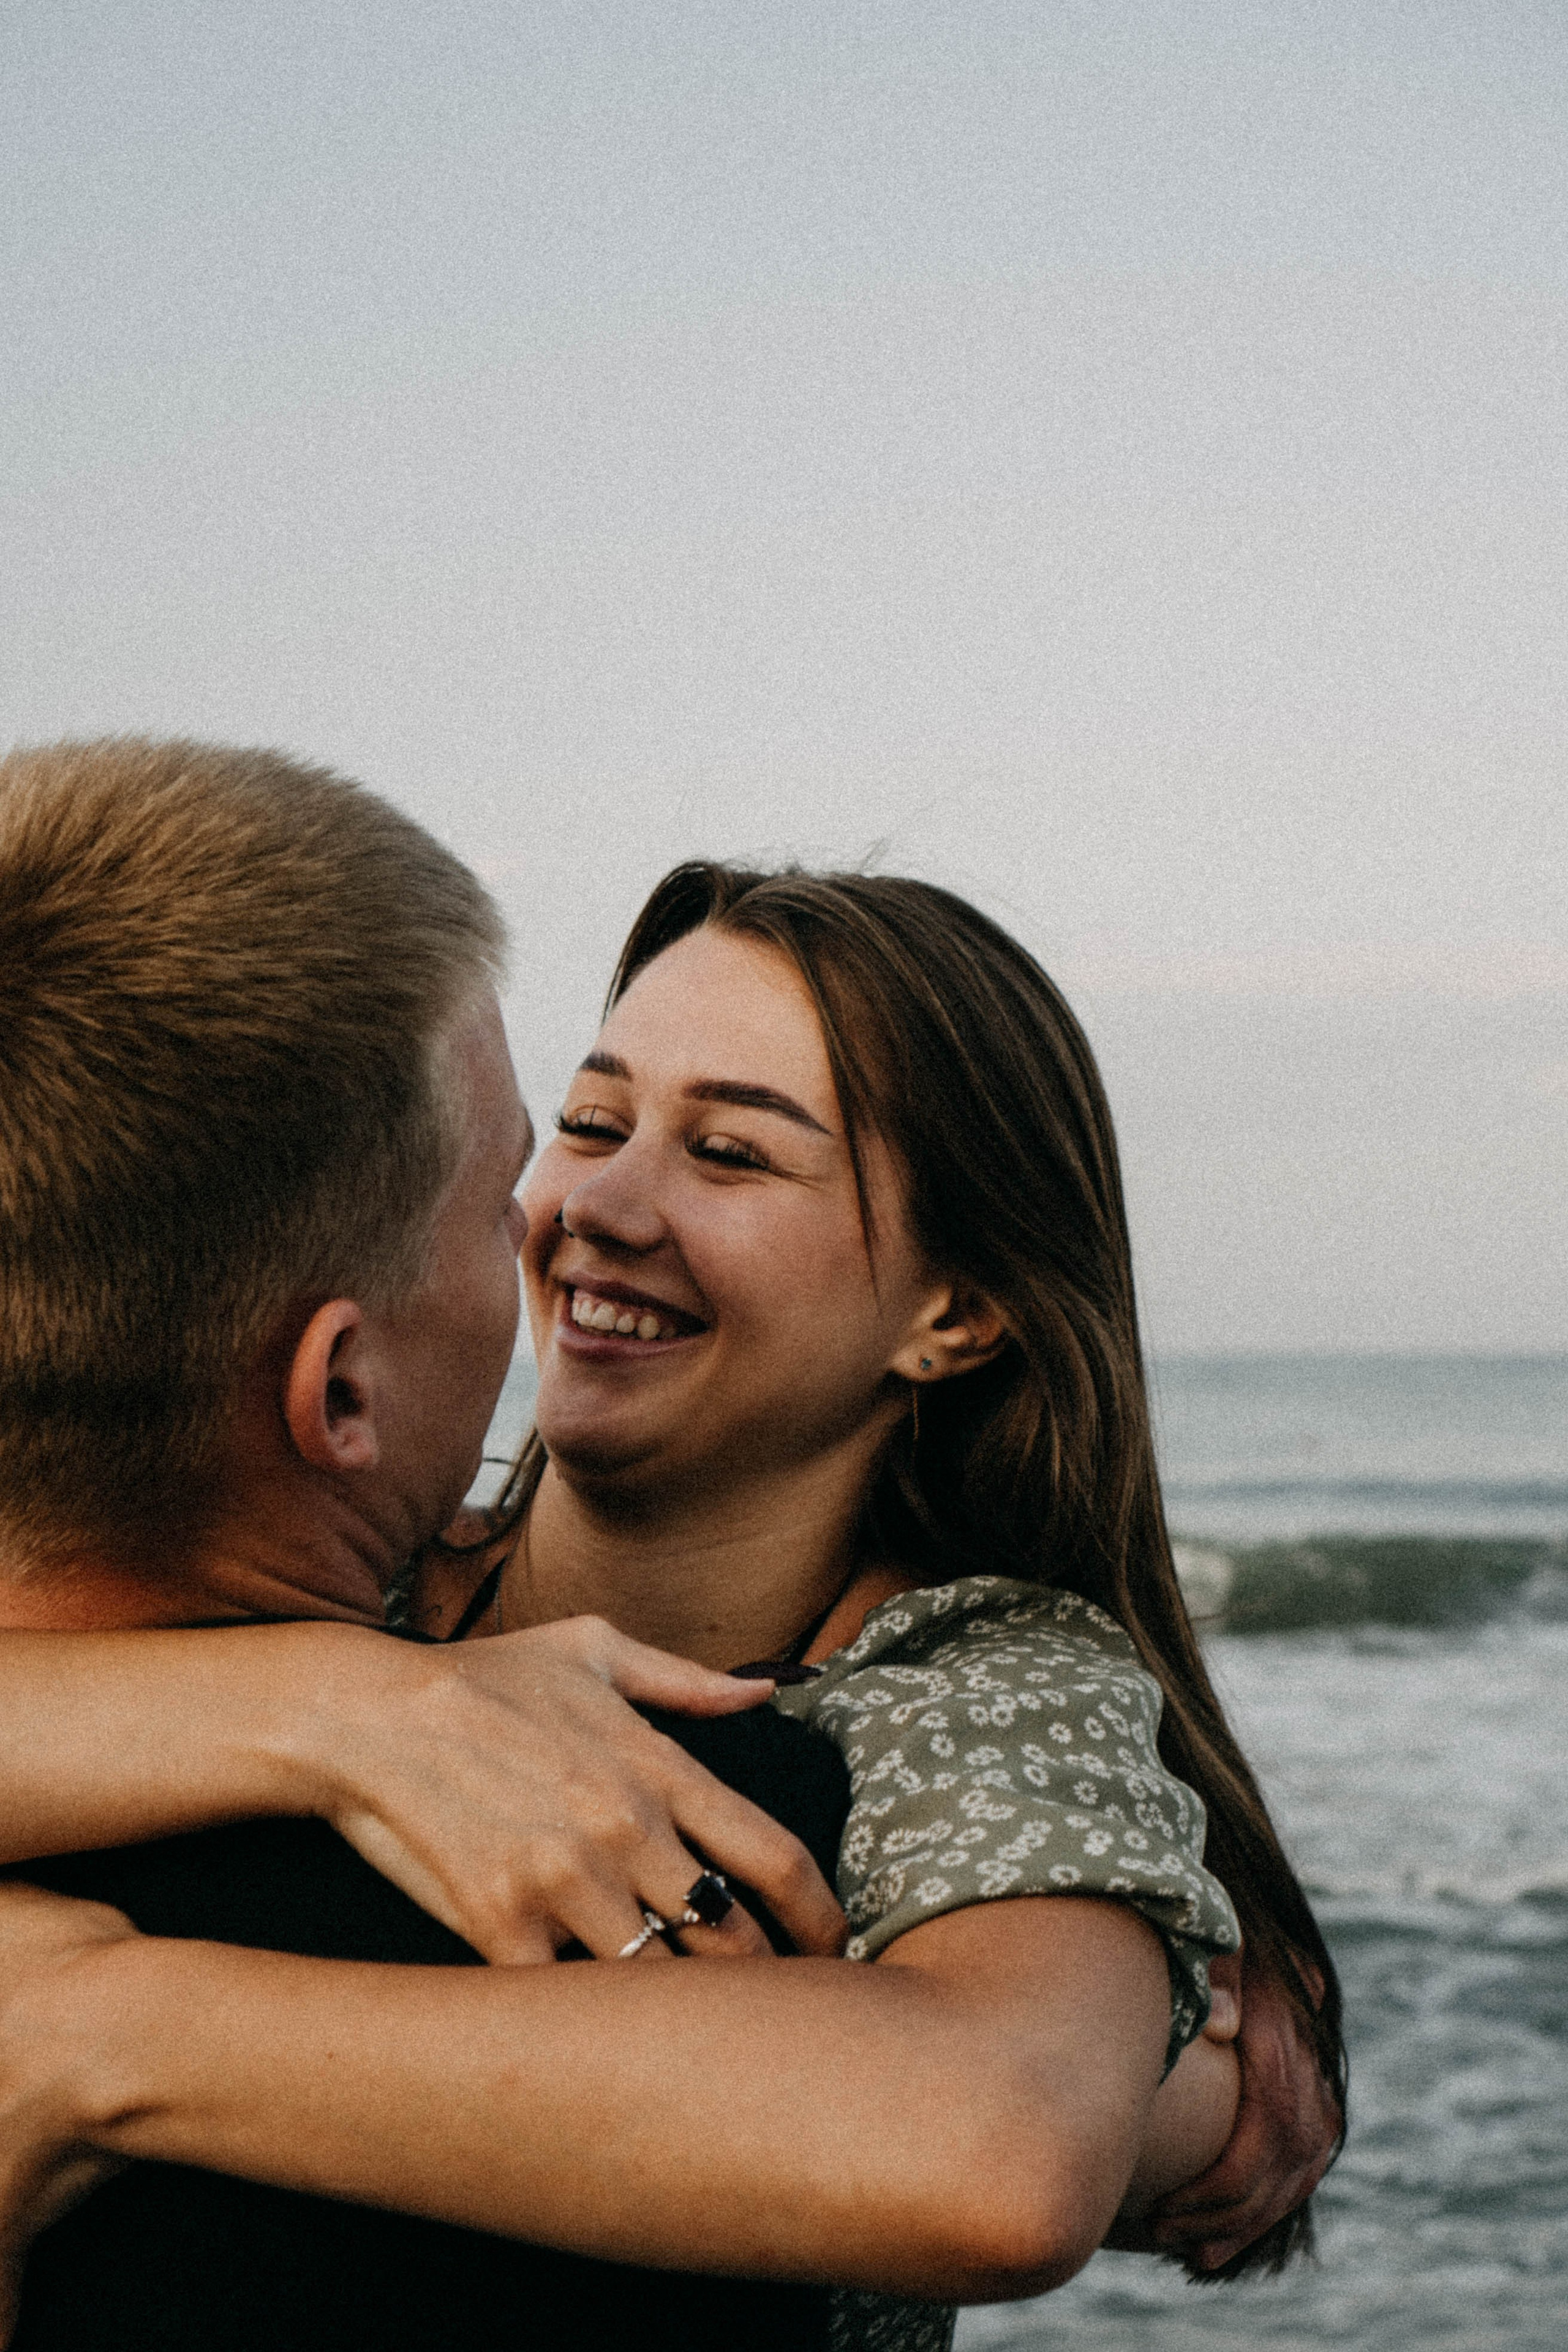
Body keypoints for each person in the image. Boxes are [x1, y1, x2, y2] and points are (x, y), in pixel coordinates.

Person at [0, 753, 1341, 2343]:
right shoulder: (320, 1556)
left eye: (733, 1153)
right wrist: (350, 1704)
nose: (593, 1209)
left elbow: (1000, 2141)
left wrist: (97, 2032)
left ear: (956, 1311)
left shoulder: (952, 1691)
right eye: (585, 1122)